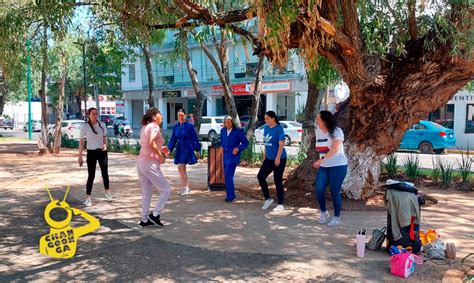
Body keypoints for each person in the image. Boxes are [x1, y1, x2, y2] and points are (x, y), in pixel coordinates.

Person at [137, 107, 171, 227]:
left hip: (141, 162)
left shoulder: (145, 128)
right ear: (154, 117)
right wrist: (160, 155)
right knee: (166, 189)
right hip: (150, 163)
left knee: (147, 193)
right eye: (160, 114)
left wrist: (161, 149)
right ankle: (155, 214)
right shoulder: (154, 126)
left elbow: (147, 144)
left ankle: (144, 219)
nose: (162, 116)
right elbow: (151, 142)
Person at [313, 110, 348, 227]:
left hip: (338, 165)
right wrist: (322, 160)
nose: (316, 120)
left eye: (318, 119)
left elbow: (335, 149)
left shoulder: (337, 131)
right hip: (325, 166)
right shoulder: (318, 131)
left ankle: (337, 217)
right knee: (318, 189)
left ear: (324, 120)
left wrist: (321, 159)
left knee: (334, 191)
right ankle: (324, 212)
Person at [78, 107, 111, 207]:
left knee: (105, 173)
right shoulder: (85, 127)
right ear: (88, 115)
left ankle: (107, 192)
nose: (95, 116)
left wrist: (105, 145)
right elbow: (81, 142)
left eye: (96, 114)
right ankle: (88, 198)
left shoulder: (102, 125)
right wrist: (80, 156)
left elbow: (104, 138)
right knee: (91, 175)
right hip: (91, 152)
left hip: (101, 152)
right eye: (93, 114)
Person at [258, 111, 287, 212]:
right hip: (269, 159)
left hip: (280, 158)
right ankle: (268, 199)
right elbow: (267, 143)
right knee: (260, 177)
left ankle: (281, 204)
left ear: (273, 118)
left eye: (268, 119)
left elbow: (281, 145)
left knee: (277, 180)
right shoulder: (266, 128)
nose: (266, 121)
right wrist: (265, 156)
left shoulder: (279, 129)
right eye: (265, 119)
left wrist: (278, 158)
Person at [168, 109, 201, 196]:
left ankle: (186, 188)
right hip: (180, 148)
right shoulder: (176, 127)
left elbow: (194, 138)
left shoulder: (189, 126)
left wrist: (197, 150)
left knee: (180, 167)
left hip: (187, 147)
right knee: (182, 169)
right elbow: (173, 140)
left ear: (185, 115)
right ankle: (184, 187)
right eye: (179, 115)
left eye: (182, 115)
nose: (181, 117)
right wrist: (169, 149)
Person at [220, 116, 249, 202]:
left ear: (232, 123)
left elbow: (246, 143)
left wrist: (238, 148)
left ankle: (231, 197)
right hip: (225, 156)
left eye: (229, 122)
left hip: (233, 157)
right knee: (227, 176)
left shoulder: (238, 131)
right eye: (226, 122)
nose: (227, 124)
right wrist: (221, 146)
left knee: (228, 175)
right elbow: (222, 140)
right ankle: (230, 195)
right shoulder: (223, 131)